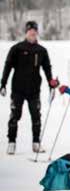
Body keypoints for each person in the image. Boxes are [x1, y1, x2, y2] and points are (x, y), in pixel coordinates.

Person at [1, 21, 59, 155]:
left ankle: (36, 143)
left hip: (34, 90)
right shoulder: (17, 48)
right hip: (18, 90)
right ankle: (11, 143)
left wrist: (51, 84)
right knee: (15, 116)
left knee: (36, 116)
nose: (32, 33)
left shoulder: (41, 50)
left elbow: (47, 69)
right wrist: (3, 84)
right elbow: (7, 66)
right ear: (26, 32)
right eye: (30, 31)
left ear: (37, 33)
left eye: (34, 31)